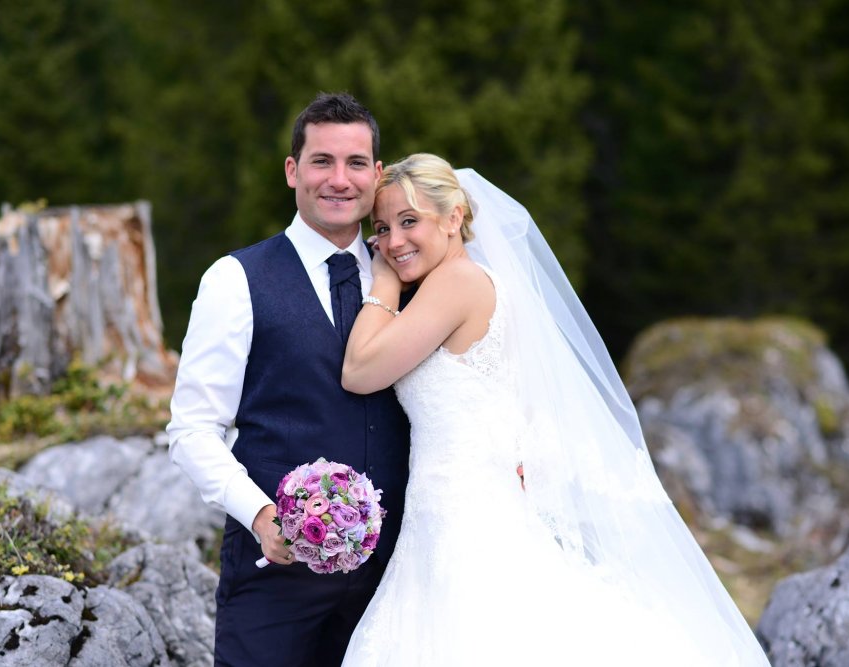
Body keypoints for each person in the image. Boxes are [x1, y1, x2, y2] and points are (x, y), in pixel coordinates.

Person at [339, 153, 772, 665]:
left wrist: (384, 284)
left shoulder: (457, 282)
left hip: (466, 516)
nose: (392, 243)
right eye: (382, 229)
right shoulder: (475, 282)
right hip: (455, 509)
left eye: (409, 221)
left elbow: (359, 371)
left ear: (453, 218)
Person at [166, 93, 411, 666]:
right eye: (322, 161)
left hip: (395, 580)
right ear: (292, 171)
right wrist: (260, 515)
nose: (339, 179)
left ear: (377, 174)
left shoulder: (410, 276)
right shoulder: (235, 280)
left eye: (355, 163)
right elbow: (192, 429)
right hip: (275, 577)